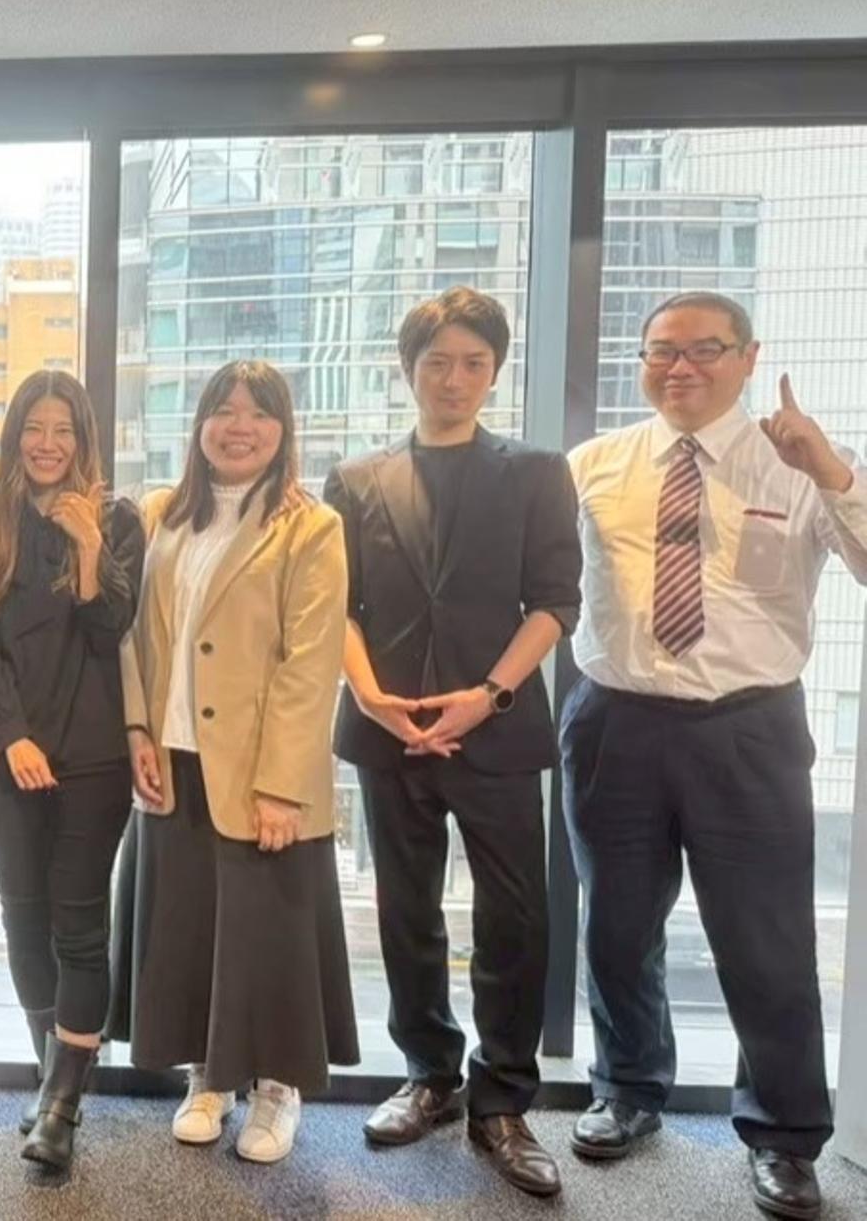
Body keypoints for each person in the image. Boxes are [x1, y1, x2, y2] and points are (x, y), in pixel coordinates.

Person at [563, 292, 866, 1220]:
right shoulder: (595, 463)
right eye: (661, 350)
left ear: (748, 357)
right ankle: (627, 1087)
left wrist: (833, 473)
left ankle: (783, 1132)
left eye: (704, 349)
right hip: (615, 720)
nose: (680, 367)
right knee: (616, 926)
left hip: (749, 727)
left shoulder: (798, 462)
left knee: (765, 937)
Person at [323, 288, 581, 1198]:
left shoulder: (536, 472)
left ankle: (502, 1099)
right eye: (438, 362)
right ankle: (429, 1073)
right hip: (390, 728)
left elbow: (556, 602)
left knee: (515, 916)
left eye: (474, 363)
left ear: (495, 371)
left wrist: (490, 694)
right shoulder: (357, 478)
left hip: (495, 727)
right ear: (410, 369)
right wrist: (369, 695)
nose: (455, 379)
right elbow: (338, 606)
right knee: (406, 909)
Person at [115, 359, 358, 1167]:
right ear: (200, 425)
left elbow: (310, 663)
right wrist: (138, 728)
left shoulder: (311, 526)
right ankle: (207, 1079)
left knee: (269, 934)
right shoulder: (162, 514)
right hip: (174, 759)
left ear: (284, 429)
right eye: (224, 410)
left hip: (261, 773)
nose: (239, 426)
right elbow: (132, 635)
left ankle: (278, 1088)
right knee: (191, 931)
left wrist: (282, 784)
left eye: (258, 412)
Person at [0, 370, 143, 1175]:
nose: (47, 443)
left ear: (83, 439)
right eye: (34, 427)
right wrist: (10, 737)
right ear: (14, 438)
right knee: (23, 919)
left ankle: (63, 1104)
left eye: (63, 429)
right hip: (9, 757)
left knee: (78, 925)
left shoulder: (116, 518)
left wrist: (90, 545)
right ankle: (51, 1070)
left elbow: (112, 628)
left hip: (94, 760)